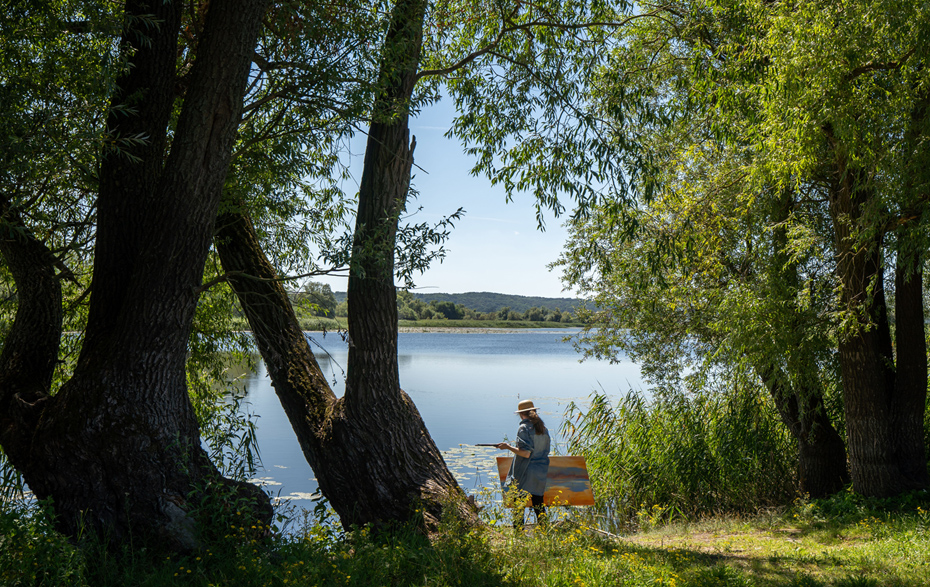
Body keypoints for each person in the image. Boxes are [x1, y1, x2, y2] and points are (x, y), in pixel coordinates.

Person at [496, 399, 550, 527]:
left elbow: (526, 453)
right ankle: (545, 532)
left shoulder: (523, 428)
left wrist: (508, 447)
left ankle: (518, 535)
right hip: (540, 473)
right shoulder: (543, 428)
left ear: (521, 414)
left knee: (519, 507)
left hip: (525, 474)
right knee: (538, 505)